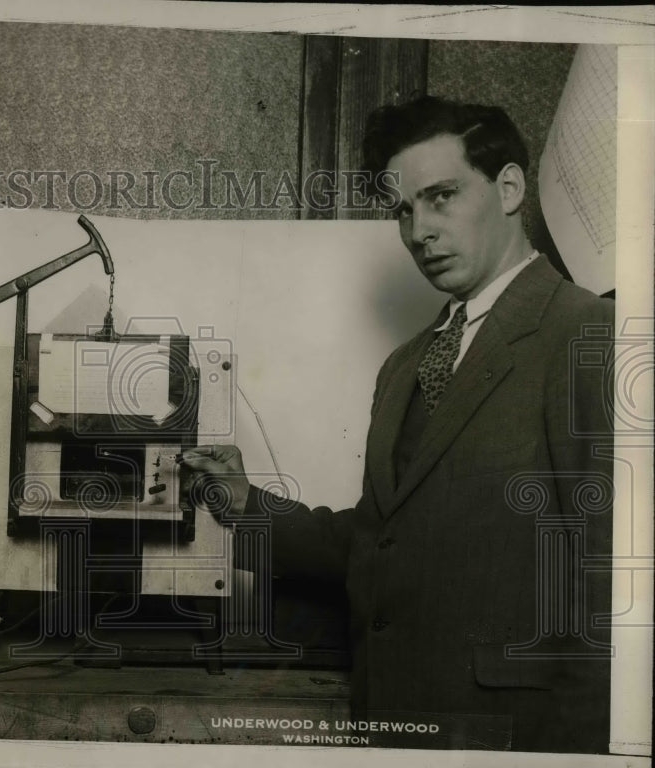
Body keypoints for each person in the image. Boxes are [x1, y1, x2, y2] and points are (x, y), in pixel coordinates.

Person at [180, 96, 614, 754]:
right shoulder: (406, 364)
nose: (418, 232)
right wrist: (245, 506)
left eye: (441, 197)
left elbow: (612, 586)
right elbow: (382, 541)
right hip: (391, 724)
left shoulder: (586, 333)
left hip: (516, 740)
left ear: (509, 188)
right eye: (404, 211)